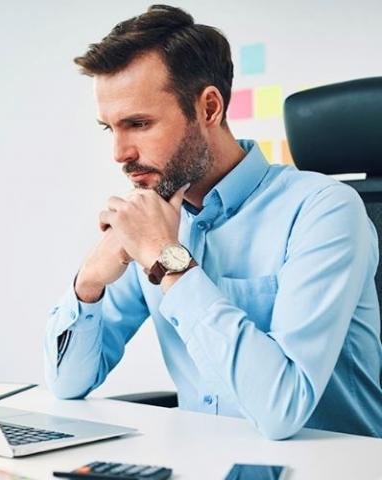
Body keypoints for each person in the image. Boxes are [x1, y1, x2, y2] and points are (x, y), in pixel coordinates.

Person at [44, 4, 382, 439]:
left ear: (208, 108)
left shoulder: (324, 210)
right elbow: (67, 383)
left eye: (139, 123)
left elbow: (282, 409)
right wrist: (87, 284)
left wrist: (169, 262)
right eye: (111, 129)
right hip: (202, 462)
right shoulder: (156, 220)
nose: (120, 153)